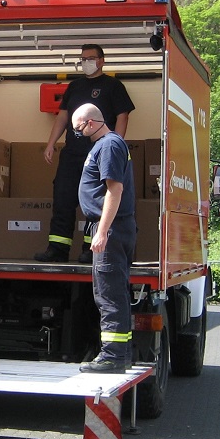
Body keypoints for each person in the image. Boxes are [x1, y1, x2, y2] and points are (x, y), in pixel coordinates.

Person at [34, 44, 135, 264]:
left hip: (98, 154)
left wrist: (114, 144)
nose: (85, 62)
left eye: (90, 58)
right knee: (63, 198)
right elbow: (62, 117)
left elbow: (122, 116)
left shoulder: (113, 86)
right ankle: (57, 249)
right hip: (72, 154)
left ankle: (92, 250)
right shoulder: (75, 86)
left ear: (101, 60)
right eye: (82, 59)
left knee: (95, 201)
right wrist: (51, 143)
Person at [72, 103, 137, 373]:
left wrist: (101, 231)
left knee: (108, 295)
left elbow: (114, 190)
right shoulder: (108, 144)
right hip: (111, 228)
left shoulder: (109, 145)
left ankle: (112, 356)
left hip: (110, 229)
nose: (78, 134)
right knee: (113, 292)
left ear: (90, 123)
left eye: (78, 129)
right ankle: (121, 355)